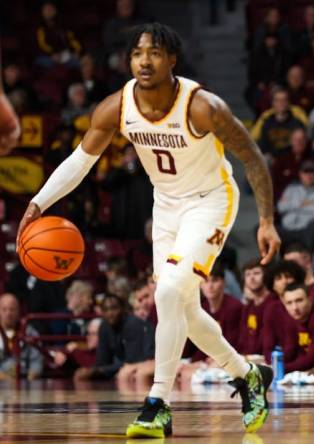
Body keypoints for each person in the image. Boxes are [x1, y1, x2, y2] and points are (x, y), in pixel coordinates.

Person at [15, 24, 280, 437]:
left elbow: (253, 157)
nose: (144, 60)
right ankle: (248, 375)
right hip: (167, 207)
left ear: (172, 60)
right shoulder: (117, 106)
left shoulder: (202, 106)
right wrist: (38, 204)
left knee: (169, 292)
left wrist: (265, 220)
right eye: (138, 53)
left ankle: (158, 402)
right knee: (184, 311)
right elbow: (80, 161)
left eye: (154, 53)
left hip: (210, 201)